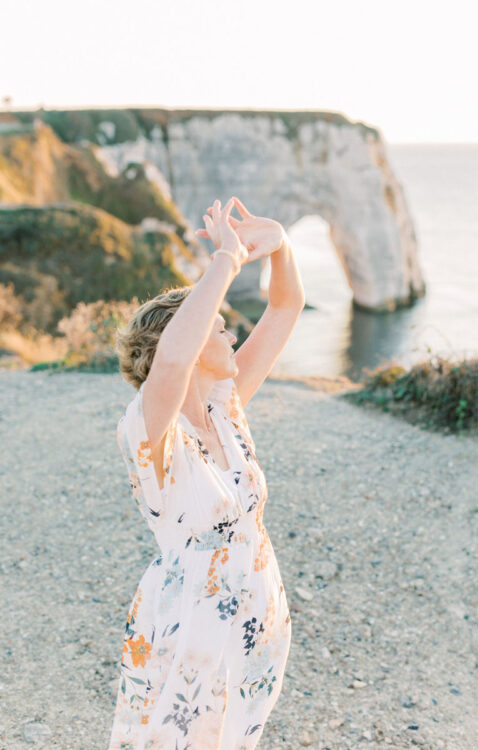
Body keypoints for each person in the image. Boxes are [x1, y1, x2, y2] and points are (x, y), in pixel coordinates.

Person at [107, 197, 305, 749]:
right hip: (187, 629)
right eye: (218, 328)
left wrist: (280, 245)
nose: (231, 336)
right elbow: (171, 362)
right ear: (192, 345)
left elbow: (286, 310)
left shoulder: (225, 406)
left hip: (254, 616)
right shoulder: (149, 434)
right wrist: (225, 258)